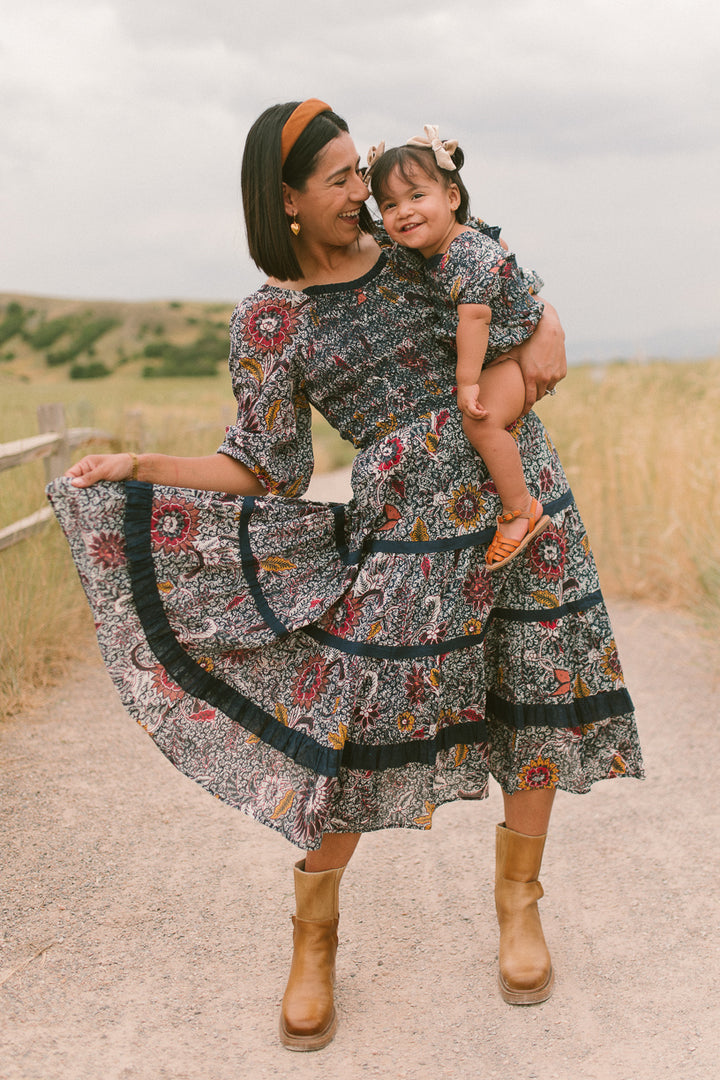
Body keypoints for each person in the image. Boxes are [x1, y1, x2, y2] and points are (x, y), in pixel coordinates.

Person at [48, 99, 643, 1053]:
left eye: (360, 172)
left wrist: (544, 338)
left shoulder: (422, 244)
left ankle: (520, 905)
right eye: (339, 181)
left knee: (537, 689)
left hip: (519, 502)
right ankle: (314, 940)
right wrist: (136, 467)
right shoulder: (271, 322)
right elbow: (263, 467)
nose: (364, 193)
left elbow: (527, 311)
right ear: (286, 202)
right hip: (402, 539)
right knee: (357, 733)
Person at [367, 126, 551, 570]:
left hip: (509, 351)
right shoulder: (429, 245)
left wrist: (466, 382)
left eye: (416, 196)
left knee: (480, 423)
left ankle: (520, 510)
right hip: (496, 350)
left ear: (452, 197)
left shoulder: (466, 250)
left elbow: (475, 318)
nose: (403, 212)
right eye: (389, 205)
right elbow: (370, 230)